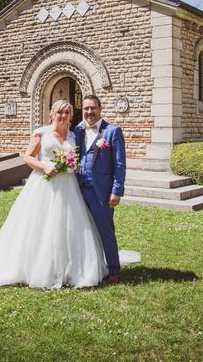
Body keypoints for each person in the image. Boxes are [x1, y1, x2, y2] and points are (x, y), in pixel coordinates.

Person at [0, 100, 108, 289]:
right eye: (60, 112)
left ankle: (68, 267)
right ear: (52, 113)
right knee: (38, 225)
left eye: (67, 113)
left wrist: (73, 165)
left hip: (68, 186)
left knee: (68, 225)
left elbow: (76, 158)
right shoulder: (41, 133)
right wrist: (44, 166)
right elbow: (27, 157)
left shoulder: (73, 135)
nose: (63, 116)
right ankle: (34, 266)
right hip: (43, 185)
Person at [74, 95, 130, 284]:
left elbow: (120, 164)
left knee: (105, 231)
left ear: (100, 108)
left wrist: (116, 191)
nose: (89, 112)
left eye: (93, 108)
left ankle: (113, 270)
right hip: (79, 190)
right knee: (83, 230)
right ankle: (89, 267)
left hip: (102, 192)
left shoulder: (112, 131)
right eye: (86, 109)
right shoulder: (78, 131)